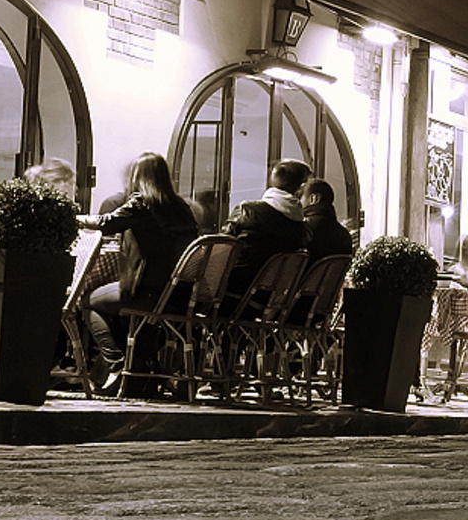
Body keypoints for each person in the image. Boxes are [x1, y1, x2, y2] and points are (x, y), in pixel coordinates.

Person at [84, 153, 201, 374]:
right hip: (179, 296)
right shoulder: (182, 208)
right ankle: (137, 362)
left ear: (138, 177)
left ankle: (114, 362)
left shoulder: (143, 204)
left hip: (147, 293)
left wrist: (76, 218)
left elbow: (105, 224)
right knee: (119, 306)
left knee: (87, 301)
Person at [221, 160, 310, 305]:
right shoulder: (301, 229)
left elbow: (219, 249)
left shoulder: (247, 211)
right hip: (267, 301)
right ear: (300, 189)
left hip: (231, 293)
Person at [297, 178, 352, 258]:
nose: (297, 202)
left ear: (314, 199)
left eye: (299, 197)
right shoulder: (345, 235)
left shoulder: (305, 230)